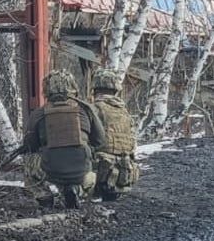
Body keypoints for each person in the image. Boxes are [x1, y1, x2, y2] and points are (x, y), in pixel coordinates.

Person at [22, 70, 106, 208]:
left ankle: (44, 196)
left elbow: (29, 145)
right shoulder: (86, 109)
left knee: (29, 160)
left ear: (46, 89)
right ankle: (78, 190)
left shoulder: (38, 113)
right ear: (73, 86)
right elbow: (100, 141)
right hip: (81, 169)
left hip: (51, 169)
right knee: (92, 161)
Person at [90, 68, 139, 201]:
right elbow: (133, 145)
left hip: (101, 170)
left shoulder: (94, 108)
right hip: (124, 171)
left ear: (95, 89)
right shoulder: (124, 111)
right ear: (116, 90)